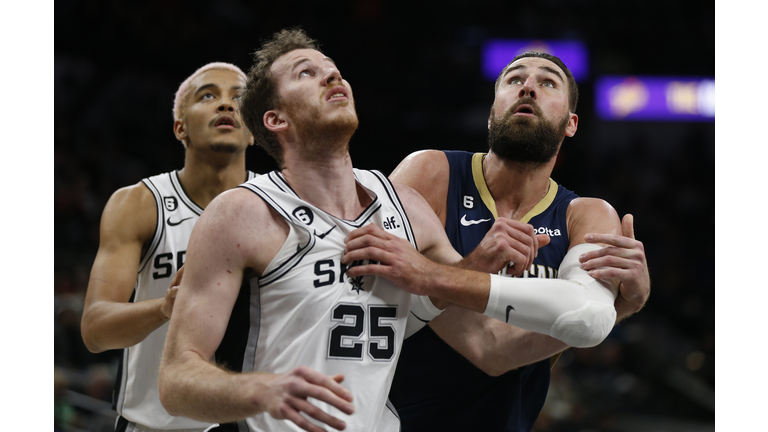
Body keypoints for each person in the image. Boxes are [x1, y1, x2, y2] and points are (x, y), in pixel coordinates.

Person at [158, 29, 631, 432]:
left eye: (333, 69)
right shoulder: (239, 213)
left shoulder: (404, 208)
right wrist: (261, 389)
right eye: (306, 72)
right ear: (276, 119)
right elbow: (177, 381)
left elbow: (482, 341)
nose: (331, 75)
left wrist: (474, 268)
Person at [387, 51, 652, 431]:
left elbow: (584, 318)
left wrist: (617, 308)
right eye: (514, 80)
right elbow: (489, 348)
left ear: (571, 123)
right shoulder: (429, 173)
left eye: (547, 82)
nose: (528, 86)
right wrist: (473, 265)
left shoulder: (587, 215)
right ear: (492, 113)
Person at [80, 62, 258, 432]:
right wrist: (163, 308)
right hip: (155, 425)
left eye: (238, 99)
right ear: (181, 127)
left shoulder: (282, 208)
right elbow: (95, 330)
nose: (225, 105)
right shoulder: (139, 204)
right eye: (208, 95)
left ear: (254, 129)